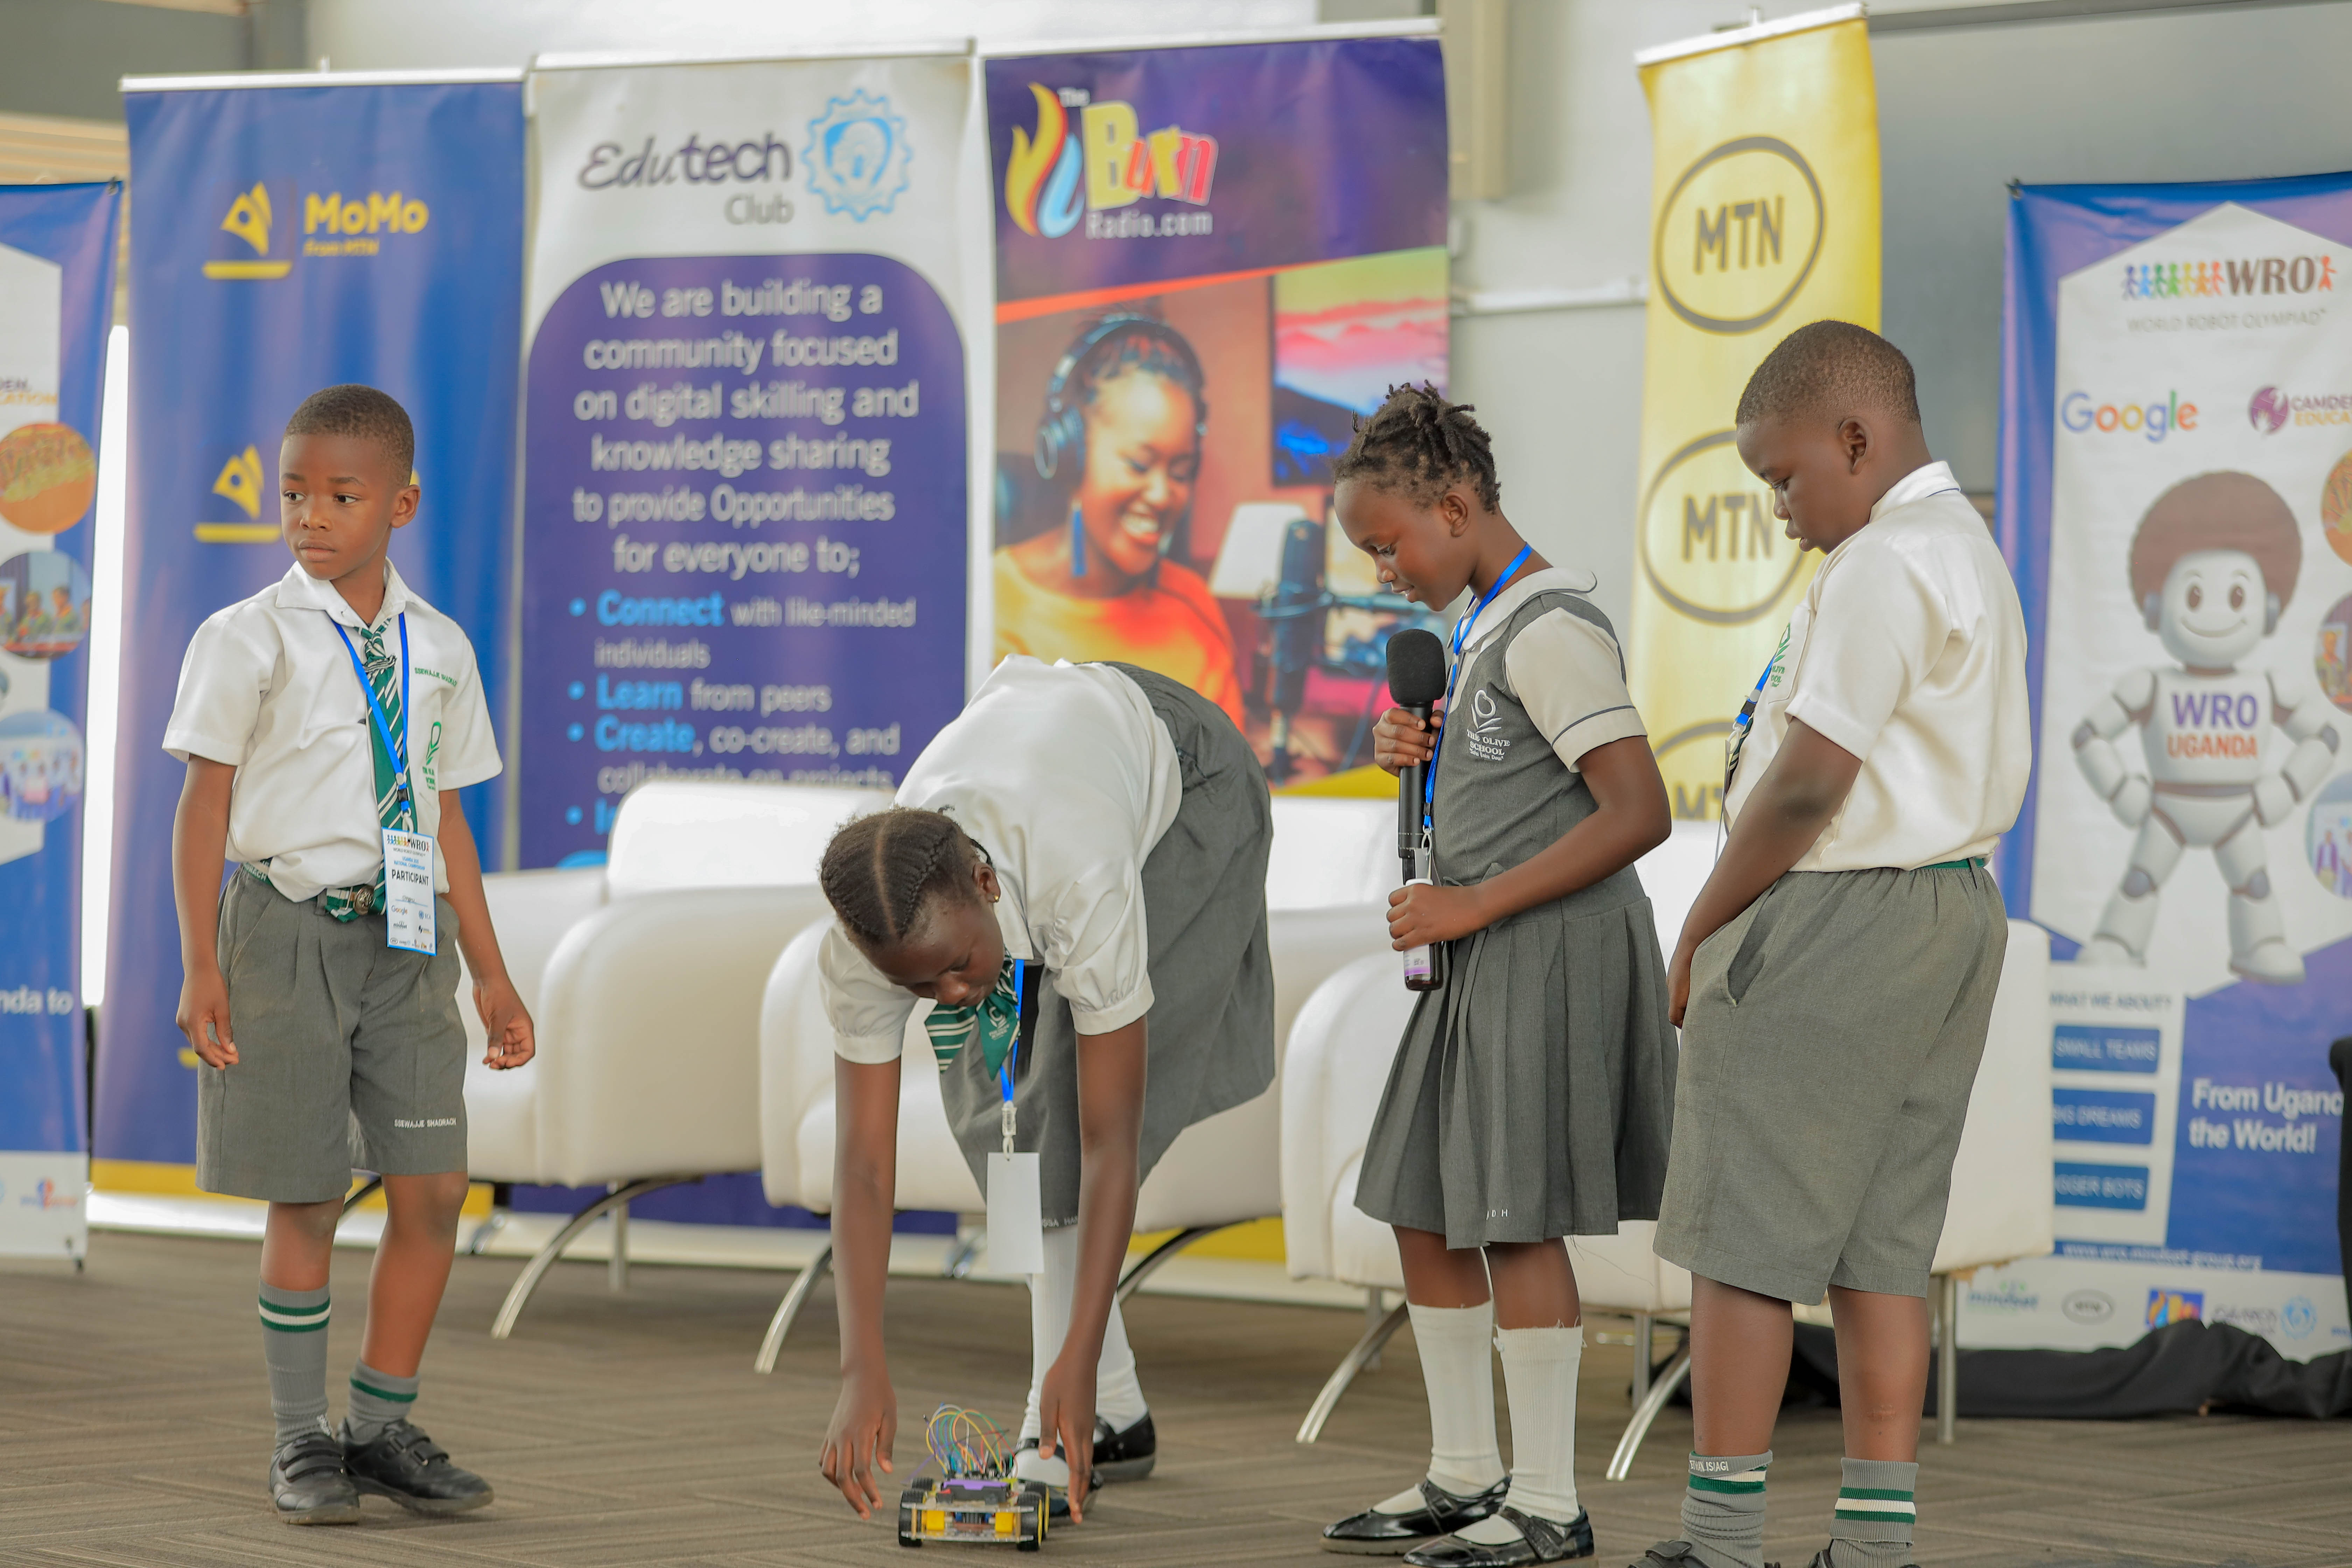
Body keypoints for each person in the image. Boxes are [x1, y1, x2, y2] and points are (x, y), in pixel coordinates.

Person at [1633, 322, 2029, 1568]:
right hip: (1951, 911)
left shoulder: (1877, 565)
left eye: (1781, 479)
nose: (1778, 510)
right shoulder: (1967, 547)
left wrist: (1698, 923)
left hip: (1834, 913)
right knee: (1879, 1248)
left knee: (1738, 1239)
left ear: (1853, 441)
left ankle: (1716, 1542)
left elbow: (1806, 785)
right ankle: (1868, 1546)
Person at [1320, 385, 1678, 1567]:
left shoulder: (1552, 629)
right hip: (1476, 957)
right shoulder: (1479, 634)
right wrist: (1405, 761)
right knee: (1428, 1207)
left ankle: (1549, 1501)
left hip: (1543, 951)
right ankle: (1468, 1473)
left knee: (1517, 1222)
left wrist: (1471, 898)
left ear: (1458, 507)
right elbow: (1514, 785)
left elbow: (1639, 812)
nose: (1384, 571)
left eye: (1389, 544)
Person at [166, 384, 535, 1527]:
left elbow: (450, 819)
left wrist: (491, 969)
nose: (310, 516)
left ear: (403, 503)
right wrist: (200, 964)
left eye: (341, 494)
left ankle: (380, 1426)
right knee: (310, 1197)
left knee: (432, 1189)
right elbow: (202, 807)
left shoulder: (441, 647)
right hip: (282, 934)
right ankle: (300, 1441)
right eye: (294, 493)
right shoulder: (249, 637)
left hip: (408, 946)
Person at [813, 654, 1274, 1524]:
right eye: (921, 988)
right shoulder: (871, 936)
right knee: (999, 1126)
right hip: (1048, 766)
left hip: (1186, 782)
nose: (950, 994)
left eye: (958, 969)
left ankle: (1052, 1419)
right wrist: (859, 1364)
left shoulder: (1076, 877)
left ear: (987, 887)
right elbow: (864, 1171)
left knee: (1058, 1111)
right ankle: (1116, 1409)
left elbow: (1109, 1144)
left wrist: (1075, 1353)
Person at [994, 315, 1245, 726]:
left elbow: (1231, 780)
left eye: (1180, 472)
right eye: (1139, 464)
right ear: (1068, 457)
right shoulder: (997, 605)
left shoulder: (1193, 603)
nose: (1163, 494)